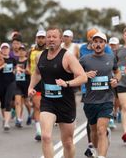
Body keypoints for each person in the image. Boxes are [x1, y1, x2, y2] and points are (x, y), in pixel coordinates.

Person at [28, 27, 87, 158]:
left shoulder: (68, 56)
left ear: (61, 39)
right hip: (48, 102)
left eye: (54, 37)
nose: (51, 39)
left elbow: (83, 77)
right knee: (46, 136)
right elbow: (37, 73)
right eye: (48, 37)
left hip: (66, 103)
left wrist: (67, 83)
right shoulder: (40, 56)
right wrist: (30, 87)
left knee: (67, 142)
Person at [80, 32, 121, 158]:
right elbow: (75, 75)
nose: (98, 44)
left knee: (101, 130)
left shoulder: (110, 57)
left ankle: (101, 156)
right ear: (92, 44)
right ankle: (97, 150)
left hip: (106, 100)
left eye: (101, 42)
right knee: (94, 131)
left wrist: (116, 80)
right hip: (90, 101)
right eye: (95, 42)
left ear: (105, 44)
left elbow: (117, 71)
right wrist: (85, 75)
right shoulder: (84, 59)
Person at [27, 30, 47, 141]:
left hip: (48, 81)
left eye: (43, 37)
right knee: (37, 106)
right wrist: (32, 76)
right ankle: (39, 130)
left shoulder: (50, 51)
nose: (41, 39)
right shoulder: (31, 51)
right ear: (36, 38)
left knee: (48, 107)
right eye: (39, 37)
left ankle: (47, 125)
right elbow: (28, 67)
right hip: (36, 82)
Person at [0, 43, 17, 131]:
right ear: (1, 50)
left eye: (6, 48)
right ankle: (5, 119)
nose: (5, 50)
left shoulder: (12, 59)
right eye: (3, 49)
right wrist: (1, 66)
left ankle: (7, 123)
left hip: (11, 82)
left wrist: (17, 70)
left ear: (9, 50)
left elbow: (15, 69)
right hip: (0, 83)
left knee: (8, 101)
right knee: (3, 102)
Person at [14, 44, 31, 128]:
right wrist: (14, 71)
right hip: (17, 84)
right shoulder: (16, 61)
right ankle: (19, 119)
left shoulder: (27, 61)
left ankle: (29, 114)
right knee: (17, 102)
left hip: (26, 84)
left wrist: (21, 70)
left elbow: (30, 72)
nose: (21, 52)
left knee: (27, 102)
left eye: (23, 50)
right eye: (19, 50)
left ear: (25, 52)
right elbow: (13, 70)